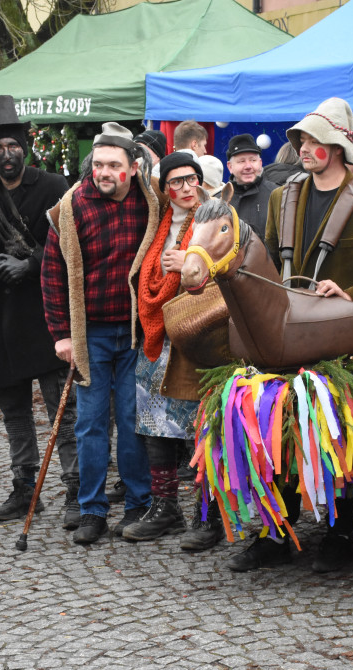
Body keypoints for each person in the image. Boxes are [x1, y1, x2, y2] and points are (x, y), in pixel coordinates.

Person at [225, 96, 353, 573]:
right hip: (287, 339)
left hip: (344, 344)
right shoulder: (284, 195)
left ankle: (342, 531)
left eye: (313, 140)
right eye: (301, 141)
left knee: (342, 438)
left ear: (337, 147)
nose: (304, 148)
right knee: (274, 436)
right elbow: (266, 261)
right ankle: (275, 532)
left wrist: (348, 291)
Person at [0, 95, 78, 527]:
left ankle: (75, 490)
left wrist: (30, 264)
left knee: (61, 410)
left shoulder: (52, 186)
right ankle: (24, 488)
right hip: (2, 320)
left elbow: (69, 238)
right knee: (14, 412)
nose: (6, 155)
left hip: (46, 314)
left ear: (24, 147)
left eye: (12, 145)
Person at [42, 122, 156, 545]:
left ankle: (138, 503)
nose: (103, 172)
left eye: (113, 164)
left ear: (133, 167)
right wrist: (62, 335)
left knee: (131, 421)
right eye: (98, 164)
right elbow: (52, 275)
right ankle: (91, 510)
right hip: (88, 334)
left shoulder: (151, 202)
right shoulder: (71, 207)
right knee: (90, 424)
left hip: (133, 334)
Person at [118, 152, 207, 543]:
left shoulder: (215, 217)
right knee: (155, 423)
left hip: (203, 335)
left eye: (192, 179)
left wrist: (188, 263)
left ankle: (210, 515)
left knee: (206, 428)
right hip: (159, 334)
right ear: (164, 188)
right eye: (177, 182)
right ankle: (166, 507)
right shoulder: (160, 224)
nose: (186, 188)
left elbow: (233, 268)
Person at [224, 134, 276, 239]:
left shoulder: (277, 195)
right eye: (241, 161)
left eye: (253, 160)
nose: (248, 166)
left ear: (260, 163)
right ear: (230, 167)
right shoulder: (220, 200)